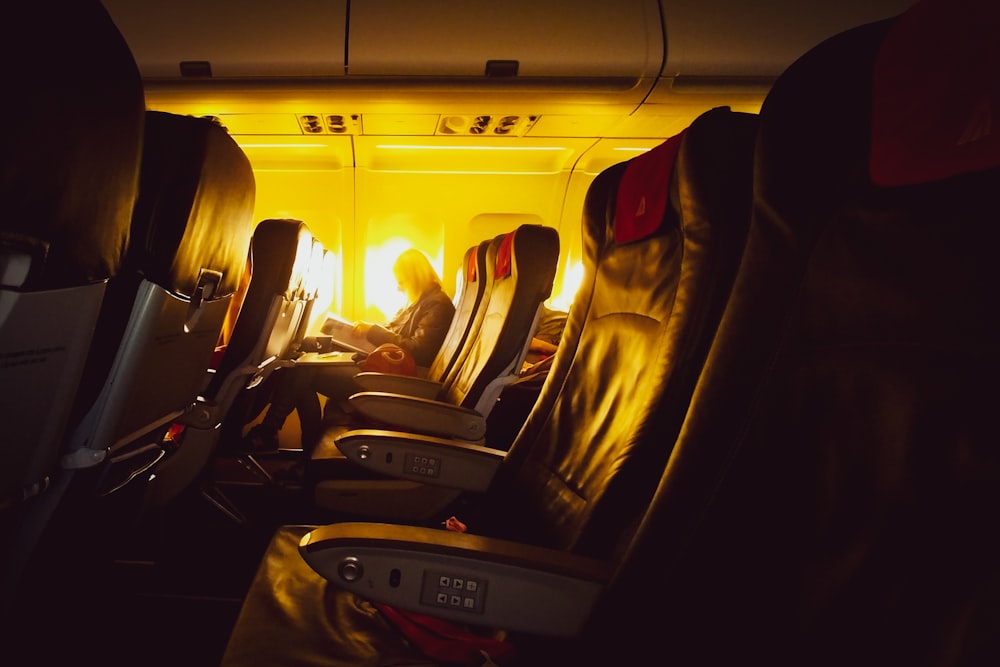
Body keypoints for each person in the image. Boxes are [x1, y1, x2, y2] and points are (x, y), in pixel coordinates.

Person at [244, 248, 455, 453]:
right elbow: (394, 333)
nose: (399, 288)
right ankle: (291, 445)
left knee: (303, 370)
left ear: (415, 276)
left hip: (394, 380)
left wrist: (373, 331)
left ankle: (271, 431)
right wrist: (359, 333)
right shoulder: (416, 302)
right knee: (307, 347)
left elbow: (419, 351)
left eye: (402, 281)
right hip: (383, 367)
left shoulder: (437, 305)